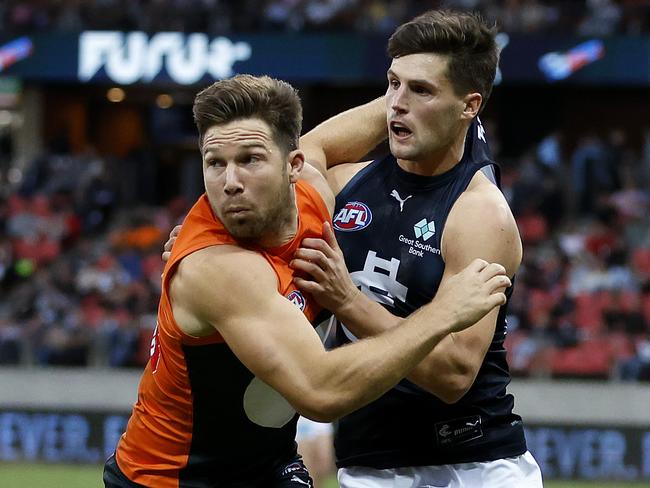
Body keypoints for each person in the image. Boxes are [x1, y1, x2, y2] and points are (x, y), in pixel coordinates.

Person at [104, 74, 511, 487]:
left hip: (267, 466)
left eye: (250, 159)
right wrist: (442, 313)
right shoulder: (215, 266)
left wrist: (410, 92)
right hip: (173, 479)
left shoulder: (314, 201)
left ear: (294, 166)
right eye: (215, 163)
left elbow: (330, 140)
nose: (230, 183)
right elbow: (321, 393)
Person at [295, 9, 544, 488]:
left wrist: (348, 302)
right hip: (367, 461)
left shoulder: (478, 214)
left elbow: (454, 375)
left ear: (470, 106)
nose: (395, 106)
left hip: (470, 466)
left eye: (422, 90)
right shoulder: (350, 181)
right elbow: (299, 161)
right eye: (391, 84)